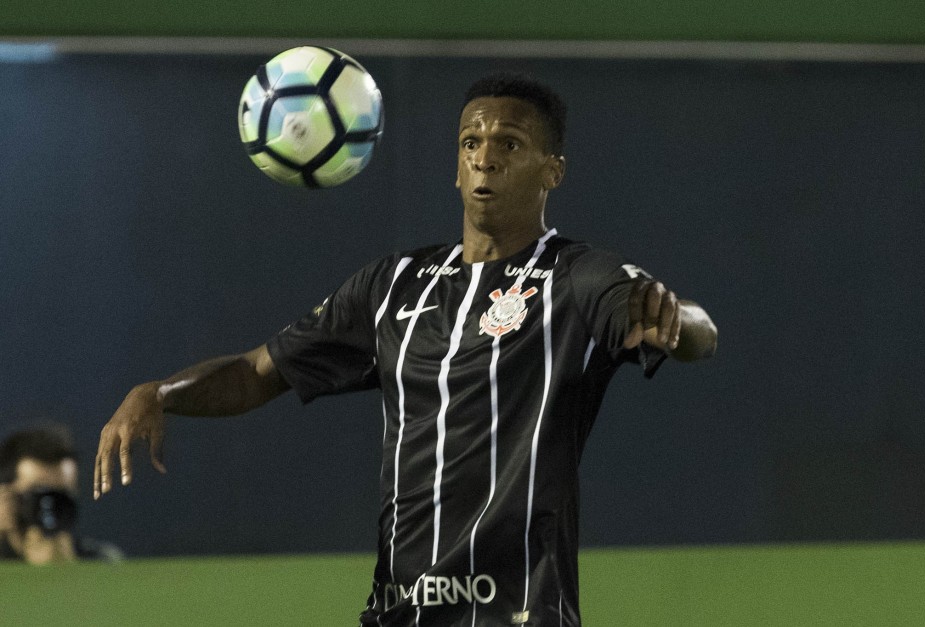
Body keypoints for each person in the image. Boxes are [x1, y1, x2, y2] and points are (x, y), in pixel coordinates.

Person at [94, 73, 717, 625]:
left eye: (510, 144)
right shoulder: (393, 285)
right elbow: (260, 371)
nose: (485, 160)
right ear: (455, 166)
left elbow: (695, 330)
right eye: (470, 143)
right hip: (399, 609)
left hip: (520, 610)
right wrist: (159, 393)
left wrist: (675, 318)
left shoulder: (577, 278)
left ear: (553, 170)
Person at [1, 424, 122, 564]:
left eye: (62, 495)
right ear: (5, 495)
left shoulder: (102, 561)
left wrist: (67, 569)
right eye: (38, 493)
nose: (50, 504)